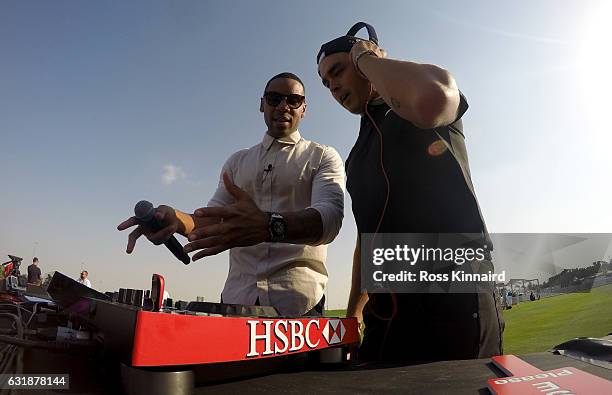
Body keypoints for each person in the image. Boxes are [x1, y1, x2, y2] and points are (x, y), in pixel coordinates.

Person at [317, 22, 503, 362]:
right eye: (326, 83)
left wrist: (365, 59)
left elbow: (432, 100)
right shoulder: (357, 155)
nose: (333, 86)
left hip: (453, 295)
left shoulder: (414, 98)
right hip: (388, 313)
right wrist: (352, 315)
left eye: (338, 71)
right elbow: (366, 240)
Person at [117, 73, 345, 316]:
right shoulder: (237, 162)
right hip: (236, 300)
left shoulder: (323, 156)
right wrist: (175, 219)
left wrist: (269, 226)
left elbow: (329, 219)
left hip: (299, 303)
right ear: (261, 104)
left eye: (293, 100)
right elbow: (210, 219)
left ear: (304, 109)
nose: (282, 106)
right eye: (274, 98)